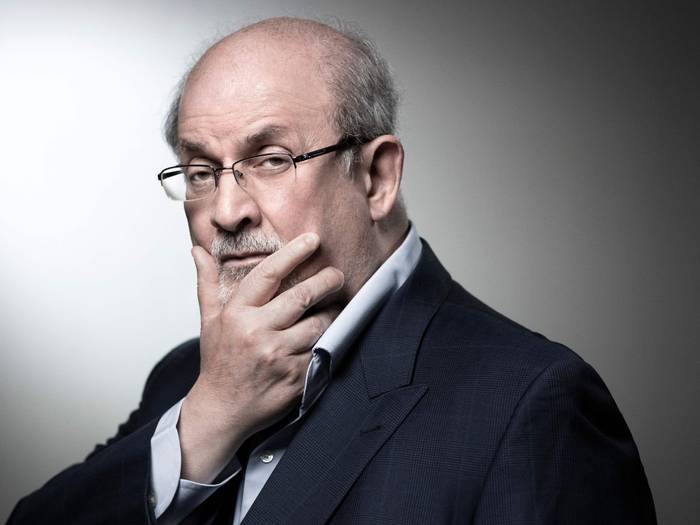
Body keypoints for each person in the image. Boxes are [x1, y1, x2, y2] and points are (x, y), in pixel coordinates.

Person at [8, 17, 656, 525]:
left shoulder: (530, 401)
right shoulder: (188, 377)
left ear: (376, 178)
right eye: (202, 172)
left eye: (271, 159)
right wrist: (208, 418)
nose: (225, 212)